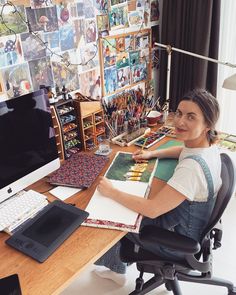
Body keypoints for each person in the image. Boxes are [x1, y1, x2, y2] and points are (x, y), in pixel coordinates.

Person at [94, 89, 222, 286]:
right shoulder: (208, 147)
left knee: (116, 214)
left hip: (176, 240)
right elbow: (183, 150)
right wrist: (152, 154)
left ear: (207, 125)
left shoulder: (191, 169)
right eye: (179, 113)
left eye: (191, 117)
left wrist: (112, 192)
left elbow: (152, 210)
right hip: (191, 227)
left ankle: (116, 270)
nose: (180, 122)